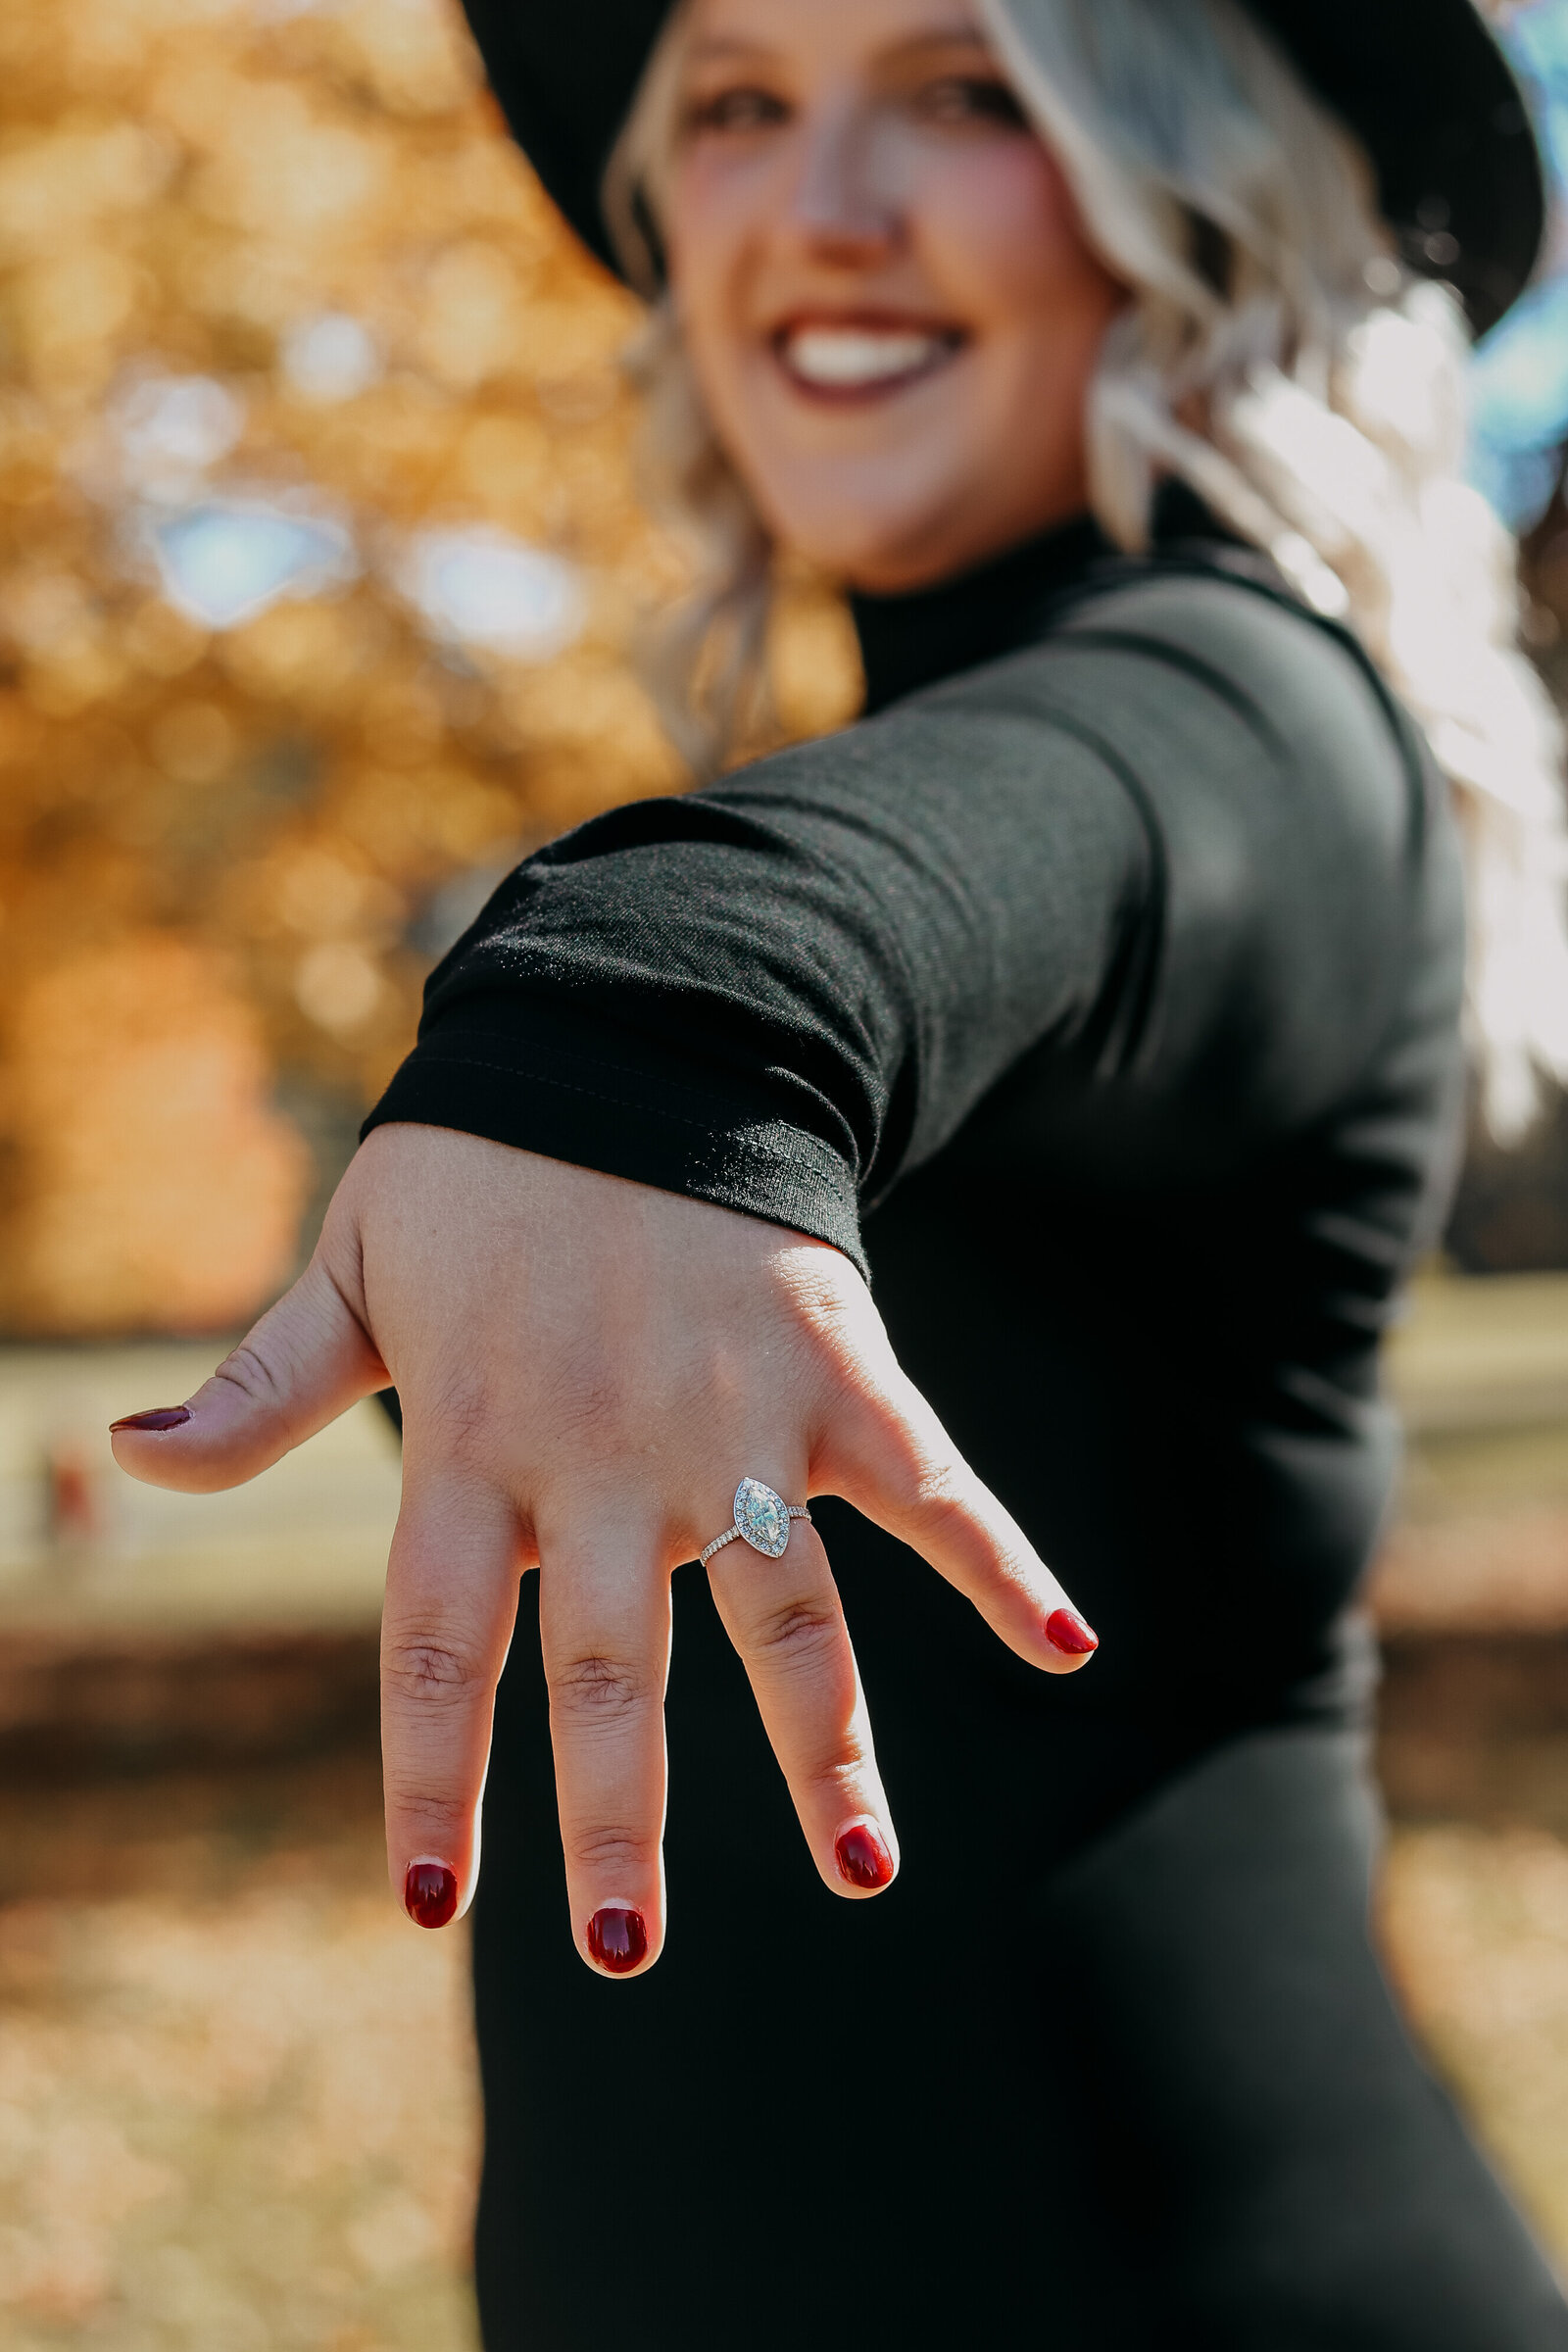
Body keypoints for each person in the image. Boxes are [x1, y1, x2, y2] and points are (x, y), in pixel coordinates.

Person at [110, 0, 1568, 2342]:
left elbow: (978, 848)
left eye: (969, 91)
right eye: (737, 104)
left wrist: (643, 1023)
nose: (820, 207)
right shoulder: (903, 737)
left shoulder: (1262, 719)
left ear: (1192, 187)